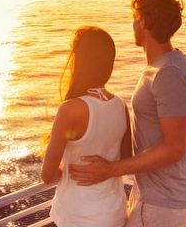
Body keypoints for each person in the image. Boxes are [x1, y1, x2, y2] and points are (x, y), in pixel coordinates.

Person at [69, 0, 186, 227]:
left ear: (143, 22)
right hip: (152, 193)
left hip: (163, 200)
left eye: (135, 17)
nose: (133, 24)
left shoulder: (168, 73)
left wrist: (110, 169)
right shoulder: (168, 65)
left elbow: (174, 148)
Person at [41, 26, 133, 227]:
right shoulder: (120, 105)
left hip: (78, 216)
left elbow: (47, 175)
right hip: (114, 213)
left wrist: (69, 172)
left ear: (79, 61)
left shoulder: (71, 109)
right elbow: (126, 160)